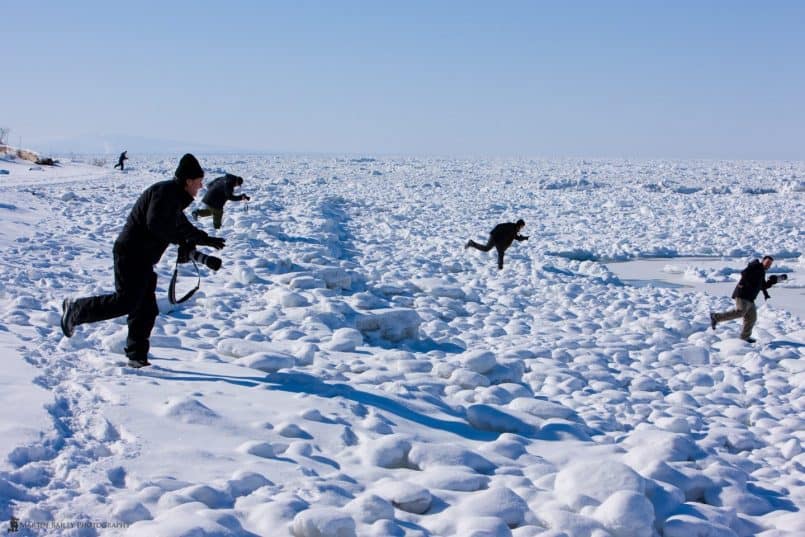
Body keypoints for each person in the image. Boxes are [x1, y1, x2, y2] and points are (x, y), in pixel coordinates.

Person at [60, 153, 226, 368]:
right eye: (198, 181)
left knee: (146, 309)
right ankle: (77, 309)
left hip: (143, 258)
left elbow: (181, 225)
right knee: (126, 301)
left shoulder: (173, 197)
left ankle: (137, 357)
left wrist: (205, 239)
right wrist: (181, 241)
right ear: (188, 181)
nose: (201, 185)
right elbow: (155, 224)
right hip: (130, 253)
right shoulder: (165, 193)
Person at [710, 255, 783, 343]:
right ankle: (716, 317)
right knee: (740, 312)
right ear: (762, 261)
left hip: (750, 298)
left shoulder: (761, 271)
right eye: (767, 262)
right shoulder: (755, 267)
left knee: (751, 318)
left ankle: (744, 338)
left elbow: (762, 286)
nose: (768, 265)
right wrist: (749, 280)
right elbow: (744, 273)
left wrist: (773, 281)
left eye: (770, 264)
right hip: (742, 294)